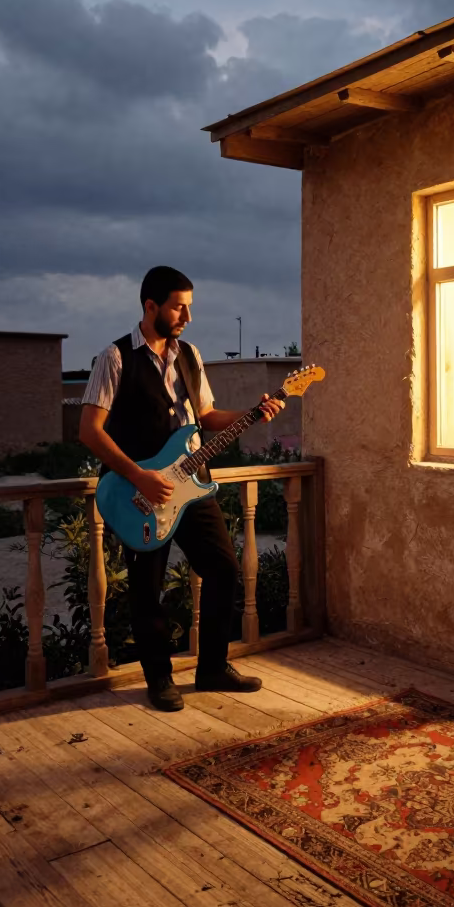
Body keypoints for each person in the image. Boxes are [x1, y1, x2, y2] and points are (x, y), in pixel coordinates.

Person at [79, 265, 284, 711]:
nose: (187, 317)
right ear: (151, 306)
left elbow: (206, 417)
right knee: (146, 588)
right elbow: (90, 431)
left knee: (224, 568)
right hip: (139, 494)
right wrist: (139, 476)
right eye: (178, 306)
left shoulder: (189, 356)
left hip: (192, 485)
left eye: (189, 307)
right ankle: (159, 680)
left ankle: (212, 668)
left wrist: (253, 413)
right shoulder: (113, 358)